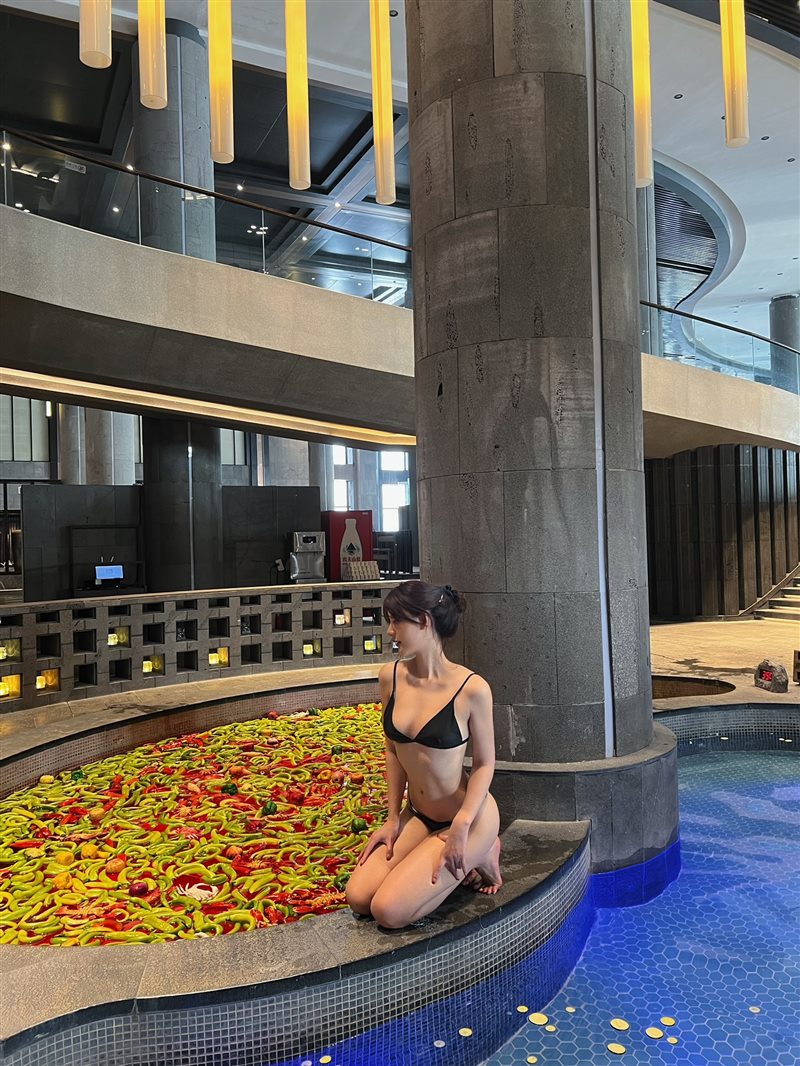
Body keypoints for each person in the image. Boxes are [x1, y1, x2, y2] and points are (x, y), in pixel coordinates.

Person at [345, 580, 502, 929]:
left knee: (388, 911)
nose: (390, 631)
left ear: (424, 621)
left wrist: (462, 825)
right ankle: (462, 855)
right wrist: (392, 818)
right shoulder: (391, 678)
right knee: (358, 896)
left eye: (396, 621)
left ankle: (485, 849)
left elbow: (484, 763)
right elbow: (393, 750)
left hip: (468, 817)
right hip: (418, 815)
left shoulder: (471, 689)